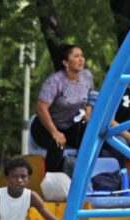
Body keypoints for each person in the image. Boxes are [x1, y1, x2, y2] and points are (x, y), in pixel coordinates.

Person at [31, 44, 94, 173]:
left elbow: (91, 96)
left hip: (70, 126)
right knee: (58, 145)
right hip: (46, 127)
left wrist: (88, 112)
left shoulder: (86, 76)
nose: (81, 59)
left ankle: (83, 180)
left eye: (82, 56)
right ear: (66, 62)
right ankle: (51, 182)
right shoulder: (55, 81)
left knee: (90, 141)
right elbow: (41, 108)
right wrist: (55, 132)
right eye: (76, 56)